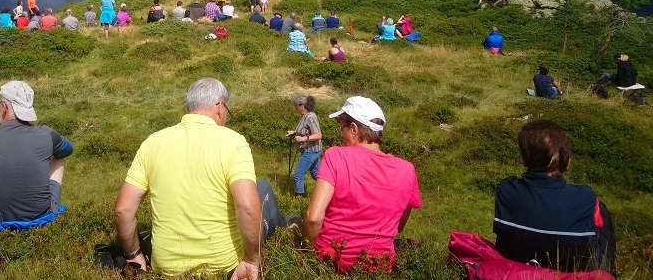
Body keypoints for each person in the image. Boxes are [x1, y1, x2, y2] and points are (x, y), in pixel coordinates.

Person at [114, 78, 286, 277]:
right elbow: (247, 207)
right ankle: (286, 227)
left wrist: (134, 255)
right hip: (223, 266)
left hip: (166, 268)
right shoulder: (233, 142)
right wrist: (251, 260)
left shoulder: (152, 142)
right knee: (263, 187)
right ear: (220, 106)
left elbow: (123, 210)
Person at [302, 96, 422, 273]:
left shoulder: (336, 156)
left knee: (292, 220)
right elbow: (398, 226)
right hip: (380, 266)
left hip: (331, 260)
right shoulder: (407, 170)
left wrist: (305, 254)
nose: (341, 135)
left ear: (354, 129)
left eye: (341, 128)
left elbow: (313, 218)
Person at [493, 119, 615, 274]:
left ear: (524, 160)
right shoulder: (585, 198)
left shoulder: (506, 190)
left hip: (514, 269)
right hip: (567, 271)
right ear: (568, 163)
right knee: (600, 212)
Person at [0, 81, 74, 227]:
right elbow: (68, 149)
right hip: (38, 218)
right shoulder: (47, 134)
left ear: (4, 107)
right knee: (58, 156)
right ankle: (48, 209)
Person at [287, 96, 323, 196]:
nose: (295, 107)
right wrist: (294, 132)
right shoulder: (305, 116)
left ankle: (299, 198)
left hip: (310, 150)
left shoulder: (310, 117)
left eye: (296, 105)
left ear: (302, 106)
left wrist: (303, 139)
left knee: (298, 175)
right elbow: (305, 130)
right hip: (311, 150)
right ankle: (333, 191)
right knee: (317, 175)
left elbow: (318, 135)